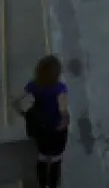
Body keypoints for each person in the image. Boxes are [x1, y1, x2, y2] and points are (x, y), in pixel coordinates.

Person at [18, 55, 70, 188]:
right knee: (55, 160)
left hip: (40, 131)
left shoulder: (32, 86)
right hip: (56, 132)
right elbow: (63, 113)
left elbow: (21, 105)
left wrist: (29, 116)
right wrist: (63, 124)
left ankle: (42, 184)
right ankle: (52, 185)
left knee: (42, 157)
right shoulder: (60, 89)